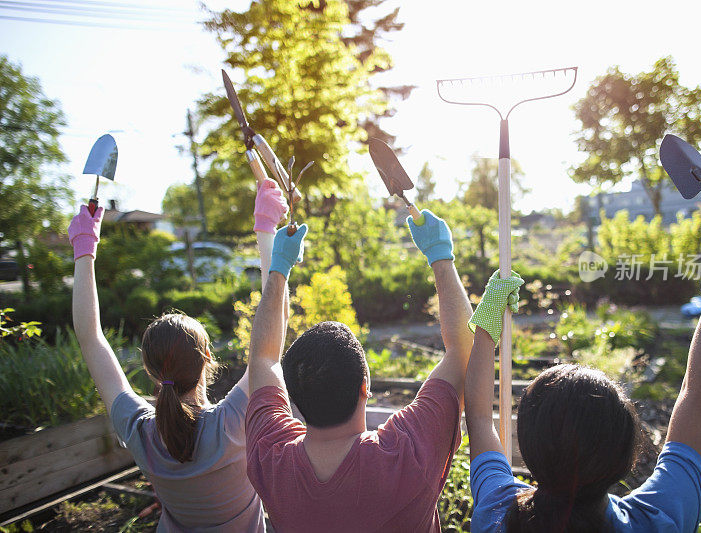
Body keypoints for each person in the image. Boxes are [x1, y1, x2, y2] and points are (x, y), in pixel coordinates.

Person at [465, 211, 701, 532]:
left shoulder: (496, 512)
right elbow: (698, 390)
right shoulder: (659, 518)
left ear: (526, 447)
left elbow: (479, 416)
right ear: (627, 455)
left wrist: (487, 321)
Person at [69, 178, 289, 532]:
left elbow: (90, 338)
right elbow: (273, 330)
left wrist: (84, 248)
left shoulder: (143, 435)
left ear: (151, 370)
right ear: (207, 357)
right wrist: (266, 227)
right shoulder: (230, 425)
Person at [245, 208, 474, 532]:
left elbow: (263, 360)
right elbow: (465, 353)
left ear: (293, 398)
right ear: (364, 386)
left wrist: (279, 269)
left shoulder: (271, 459)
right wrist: (441, 257)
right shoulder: (405, 453)